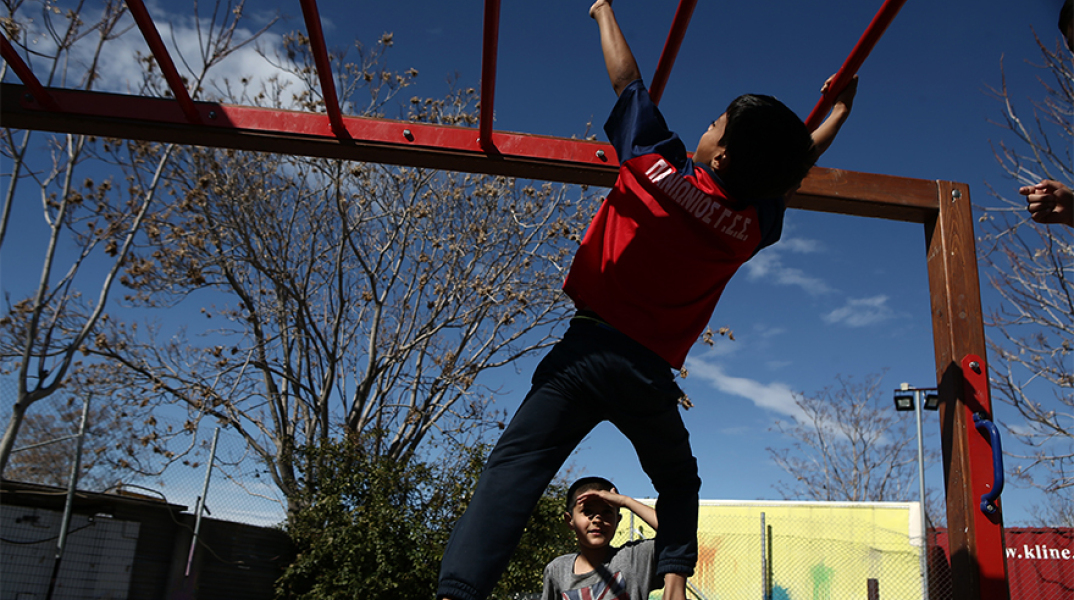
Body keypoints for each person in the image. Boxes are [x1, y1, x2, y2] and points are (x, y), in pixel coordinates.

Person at [436, 2, 857, 599]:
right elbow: (795, 168)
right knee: (679, 483)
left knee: (515, 468)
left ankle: (459, 590)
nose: (706, 126)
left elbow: (627, 81)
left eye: (714, 124)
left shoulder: (655, 166)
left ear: (722, 156)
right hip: (646, 375)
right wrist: (840, 113)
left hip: (584, 353)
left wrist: (603, 10)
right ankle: (676, 579)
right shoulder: (753, 226)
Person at [542, 477, 661, 600]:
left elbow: (677, 532)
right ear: (569, 520)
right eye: (587, 511)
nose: (598, 519)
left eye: (607, 512)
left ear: (617, 520)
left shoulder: (635, 558)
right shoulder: (558, 570)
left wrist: (626, 501)